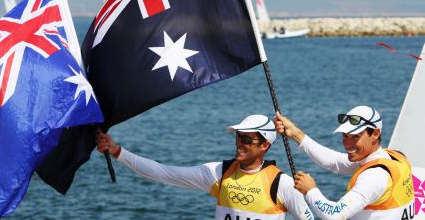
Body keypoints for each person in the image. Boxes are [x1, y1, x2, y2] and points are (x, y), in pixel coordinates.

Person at [96, 114, 314, 220]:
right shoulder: (220, 173)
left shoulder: (282, 184)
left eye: (247, 140)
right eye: (238, 138)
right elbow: (162, 172)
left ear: (265, 145)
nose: (239, 144)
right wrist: (117, 151)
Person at [274, 106, 415, 220]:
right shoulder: (395, 157)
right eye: (345, 136)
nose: (347, 144)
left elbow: (334, 215)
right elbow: (333, 161)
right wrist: (295, 133)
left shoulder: (374, 176)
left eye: (355, 137)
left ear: (376, 134)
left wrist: (310, 190)